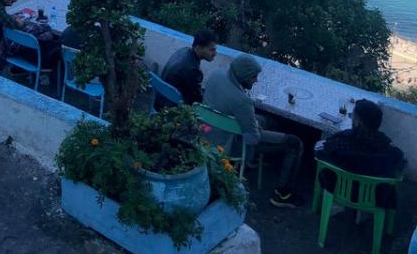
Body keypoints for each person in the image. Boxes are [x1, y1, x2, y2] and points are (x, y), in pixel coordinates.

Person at [203, 55, 306, 209]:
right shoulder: (242, 101)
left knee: (269, 120)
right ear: (243, 76)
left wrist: (254, 122)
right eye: (253, 77)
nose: (256, 80)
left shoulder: (216, 75)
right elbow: (252, 139)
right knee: (295, 143)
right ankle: (283, 194)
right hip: (232, 143)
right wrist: (255, 127)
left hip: (208, 133)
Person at [316, 99, 405, 178]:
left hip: (340, 190)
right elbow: (400, 163)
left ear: (358, 122)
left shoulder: (341, 143)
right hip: (374, 195)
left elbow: (321, 153)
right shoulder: (389, 150)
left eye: (352, 116)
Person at [157, 30, 218, 108]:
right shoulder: (192, 69)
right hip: (170, 108)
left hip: (161, 99)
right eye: (211, 50)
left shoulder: (183, 51)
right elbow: (197, 100)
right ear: (198, 48)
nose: (215, 54)